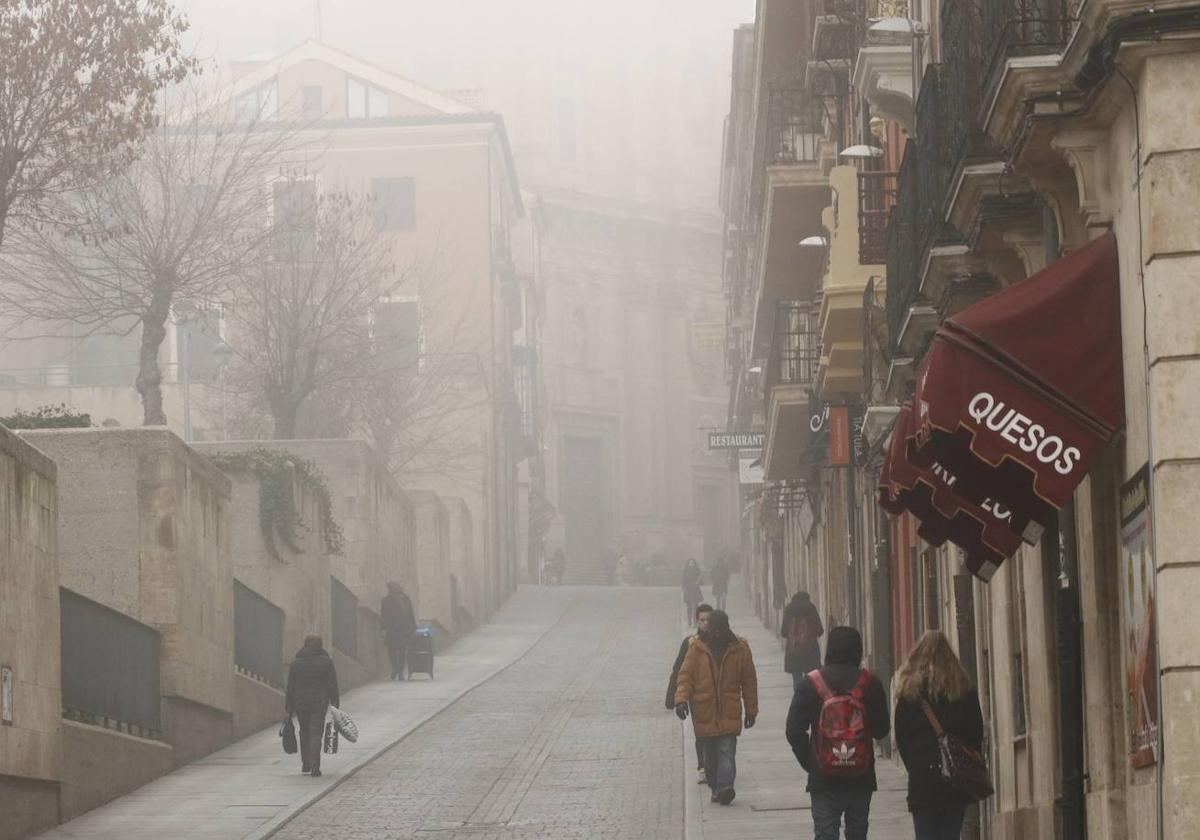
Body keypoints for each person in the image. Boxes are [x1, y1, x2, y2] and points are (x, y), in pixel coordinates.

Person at [786, 626, 889, 840]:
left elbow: (794, 730)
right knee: (858, 833)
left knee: (825, 833)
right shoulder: (870, 683)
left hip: (823, 778)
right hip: (860, 775)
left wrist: (812, 761)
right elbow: (881, 731)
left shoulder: (810, 684)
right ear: (858, 650)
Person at [894, 630, 985, 840]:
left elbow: (901, 738)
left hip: (922, 780)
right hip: (954, 780)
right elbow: (975, 731)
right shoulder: (963, 689)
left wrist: (916, 766)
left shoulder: (909, 694)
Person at [674, 609, 759, 806]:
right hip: (705, 712)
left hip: (729, 710)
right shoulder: (696, 648)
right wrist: (681, 700)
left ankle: (725, 788)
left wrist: (751, 710)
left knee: (727, 752)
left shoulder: (740, 649)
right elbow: (685, 676)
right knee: (710, 757)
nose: (717, 634)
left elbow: (749, 681)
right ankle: (715, 786)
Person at [665, 603, 714, 785]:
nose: (705, 623)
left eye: (708, 620)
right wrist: (675, 698)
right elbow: (679, 670)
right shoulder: (690, 643)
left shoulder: (721, 641)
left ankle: (714, 765)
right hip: (697, 698)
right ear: (697, 621)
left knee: (717, 733)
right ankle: (702, 766)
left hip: (716, 697)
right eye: (702, 620)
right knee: (701, 733)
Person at [284, 634, 340, 777]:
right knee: (316, 733)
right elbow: (332, 684)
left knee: (304, 731)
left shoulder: (296, 663)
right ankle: (315, 766)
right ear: (320, 646)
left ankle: (306, 763)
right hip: (319, 702)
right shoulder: (326, 662)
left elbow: (290, 686)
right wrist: (335, 702)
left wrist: (289, 706)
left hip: (300, 703)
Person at [782, 591, 825, 691]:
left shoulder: (789, 609)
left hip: (794, 652)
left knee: (797, 679)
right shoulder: (810, 608)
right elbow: (819, 630)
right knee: (812, 680)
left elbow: (783, 632)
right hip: (810, 651)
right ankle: (810, 701)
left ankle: (799, 700)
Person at [380, 581, 418, 681]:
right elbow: (383, 616)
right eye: (390, 588)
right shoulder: (386, 600)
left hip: (403, 630)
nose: (391, 589)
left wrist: (413, 628)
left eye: (392, 587)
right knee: (391, 651)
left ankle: (400, 672)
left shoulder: (405, 599)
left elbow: (410, 614)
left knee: (401, 651)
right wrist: (383, 629)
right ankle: (394, 669)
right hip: (391, 630)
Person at [681, 558, 703, 624]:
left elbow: (701, 581)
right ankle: (689, 620)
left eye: (693, 563)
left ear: (694, 564)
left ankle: (695, 621)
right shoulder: (685, 571)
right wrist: (683, 588)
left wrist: (698, 582)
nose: (691, 564)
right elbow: (683, 580)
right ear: (688, 564)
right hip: (688, 590)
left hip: (695, 589)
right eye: (690, 563)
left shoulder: (697, 570)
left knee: (696, 606)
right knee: (689, 606)